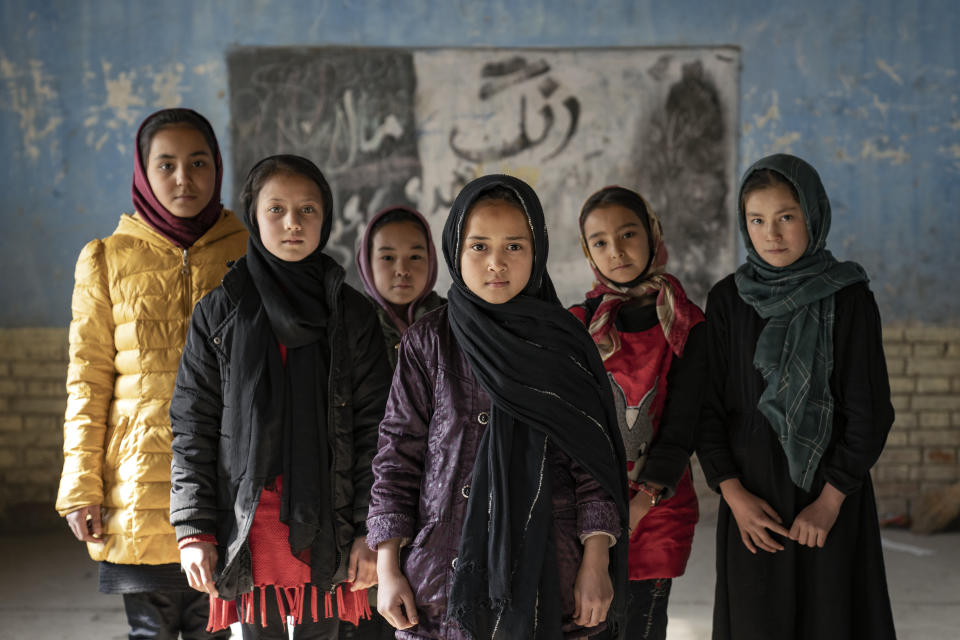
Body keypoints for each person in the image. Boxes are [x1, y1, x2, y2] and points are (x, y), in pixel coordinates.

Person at [366, 174, 629, 639]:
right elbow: (397, 456)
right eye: (479, 246)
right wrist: (388, 565)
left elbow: (594, 464)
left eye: (514, 246)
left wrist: (597, 559)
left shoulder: (564, 346)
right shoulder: (430, 341)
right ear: (455, 250)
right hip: (439, 577)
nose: (496, 264)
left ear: (537, 251)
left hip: (551, 573)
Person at [169, 155, 393, 639]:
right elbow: (193, 426)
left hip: (327, 526)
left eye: (307, 210)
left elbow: (377, 432)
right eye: (277, 210)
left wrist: (369, 531)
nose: (293, 223)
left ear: (325, 217)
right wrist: (194, 531)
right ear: (254, 215)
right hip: (248, 525)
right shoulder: (220, 312)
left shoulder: (352, 315)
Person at [55, 107, 247, 639]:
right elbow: (87, 379)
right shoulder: (106, 260)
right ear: (143, 171)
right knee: (150, 630)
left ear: (218, 169)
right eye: (166, 165)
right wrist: (80, 485)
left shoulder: (249, 253)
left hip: (225, 479)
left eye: (198, 162)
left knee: (215, 626)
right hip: (137, 485)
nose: (184, 178)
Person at [696, 154, 897, 640]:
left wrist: (830, 501)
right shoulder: (728, 299)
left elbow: (869, 411)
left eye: (787, 216)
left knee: (832, 619)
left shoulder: (847, 297)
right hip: (751, 499)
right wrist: (733, 494)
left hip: (829, 497)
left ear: (814, 214)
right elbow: (706, 408)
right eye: (757, 220)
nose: (773, 234)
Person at [569, 186, 704, 640]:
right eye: (600, 242)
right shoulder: (576, 325)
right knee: (587, 625)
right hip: (587, 513)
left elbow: (683, 424)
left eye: (628, 234)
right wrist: (601, 518)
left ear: (652, 234)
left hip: (657, 510)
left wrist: (640, 505)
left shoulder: (685, 323)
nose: (617, 251)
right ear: (587, 252)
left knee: (642, 627)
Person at [355, 207, 445, 369]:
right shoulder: (347, 326)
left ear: (431, 260)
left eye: (415, 257)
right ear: (367, 263)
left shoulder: (454, 322)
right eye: (388, 257)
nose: (402, 270)